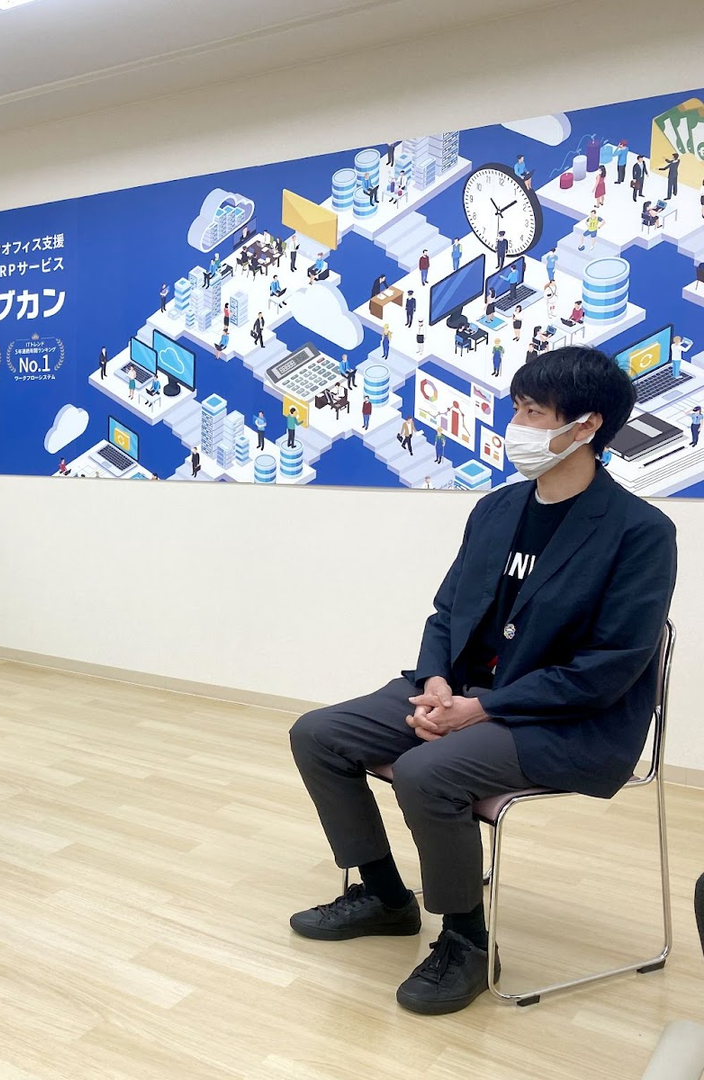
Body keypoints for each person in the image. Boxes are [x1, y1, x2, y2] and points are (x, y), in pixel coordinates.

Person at [288, 345, 674, 1016]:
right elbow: (447, 612)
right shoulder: (497, 509)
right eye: (516, 409)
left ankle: (466, 941)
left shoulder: (640, 531)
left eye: (533, 413)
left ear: (586, 426)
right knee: (318, 734)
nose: (515, 426)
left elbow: (608, 668)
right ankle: (384, 896)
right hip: (464, 694)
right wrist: (438, 681)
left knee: (426, 772)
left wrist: (482, 709)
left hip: (567, 719)